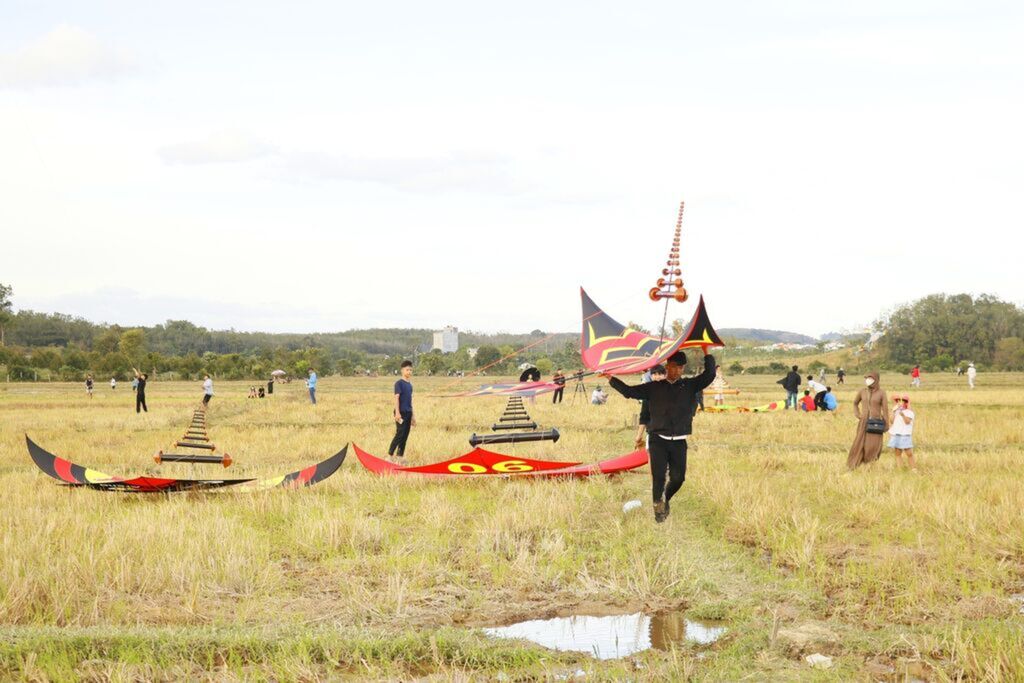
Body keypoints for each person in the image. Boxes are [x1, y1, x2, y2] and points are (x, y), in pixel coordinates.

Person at [606, 349, 716, 523]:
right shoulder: (653, 387)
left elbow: (710, 375)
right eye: (674, 367)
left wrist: (706, 351)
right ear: (667, 367)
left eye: (681, 368)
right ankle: (658, 510)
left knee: (678, 478)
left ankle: (665, 497)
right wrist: (610, 378)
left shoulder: (690, 385)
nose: (677, 371)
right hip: (657, 439)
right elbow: (628, 391)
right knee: (658, 477)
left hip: (679, 440)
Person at [847, 371, 888, 469]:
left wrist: (886, 424)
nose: (868, 380)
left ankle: (870, 464)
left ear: (876, 380)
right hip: (864, 422)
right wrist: (858, 414)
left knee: (873, 444)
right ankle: (854, 464)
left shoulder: (881, 393)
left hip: (876, 423)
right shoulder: (862, 391)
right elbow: (855, 403)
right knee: (859, 443)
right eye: (867, 378)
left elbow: (885, 409)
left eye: (870, 378)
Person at [634, 365, 666, 449]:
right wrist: (639, 436)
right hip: (653, 434)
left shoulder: (672, 391)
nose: (657, 377)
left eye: (660, 374)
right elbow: (644, 416)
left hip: (670, 435)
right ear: (651, 376)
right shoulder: (648, 395)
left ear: (665, 375)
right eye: (654, 374)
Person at [388, 360, 415, 459]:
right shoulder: (399, 383)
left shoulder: (410, 385)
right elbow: (397, 398)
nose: (409, 372)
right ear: (402, 370)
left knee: (405, 435)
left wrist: (413, 416)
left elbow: (410, 401)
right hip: (401, 412)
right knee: (400, 434)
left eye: (410, 370)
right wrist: (397, 412)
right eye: (407, 370)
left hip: (408, 412)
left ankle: (400, 456)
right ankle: (390, 455)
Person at [888, 394, 916, 468]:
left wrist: (903, 415)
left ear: (908, 402)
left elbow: (907, 422)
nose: (903, 402)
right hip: (896, 434)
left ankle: (913, 469)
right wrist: (893, 411)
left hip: (905, 434)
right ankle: (900, 469)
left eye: (905, 401)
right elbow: (891, 421)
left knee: (909, 453)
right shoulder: (896, 410)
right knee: (897, 453)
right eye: (901, 400)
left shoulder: (910, 412)